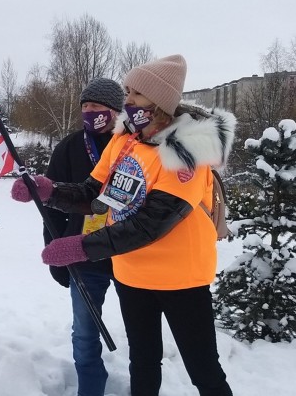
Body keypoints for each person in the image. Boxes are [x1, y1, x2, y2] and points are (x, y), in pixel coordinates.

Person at [19, 55, 235, 395]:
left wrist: (81, 247)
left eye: (135, 93)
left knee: (203, 369)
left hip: (181, 280)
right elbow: (95, 195)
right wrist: (49, 191)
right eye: (127, 91)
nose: (127, 101)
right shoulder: (125, 141)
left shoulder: (187, 150)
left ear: (159, 103)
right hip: (133, 274)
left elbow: (150, 225)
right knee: (144, 362)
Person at [13, 77, 125, 396]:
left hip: (131, 254)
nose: (90, 112)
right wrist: (56, 251)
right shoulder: (70, 147)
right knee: (85, 335)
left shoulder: (134, 146)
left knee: (143, 333)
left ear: (116, 111)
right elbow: (52, 207)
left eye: (98, 107)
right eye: (85, 107)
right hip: (84, 255)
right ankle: (90, 390)